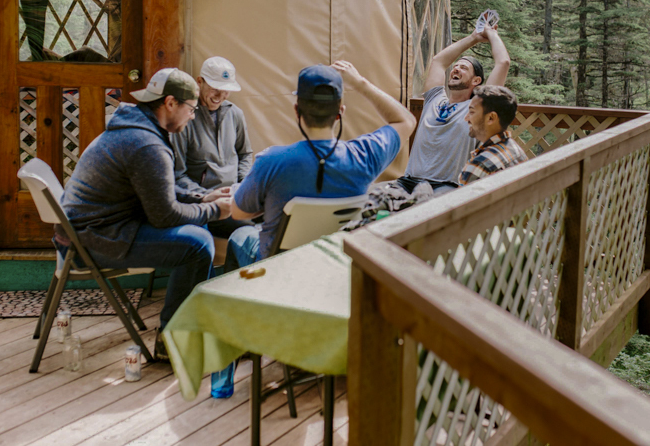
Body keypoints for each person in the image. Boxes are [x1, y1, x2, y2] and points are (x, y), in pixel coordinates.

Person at [59, 68, 232, 359]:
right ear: (170, 103)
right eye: (191, 109)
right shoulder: (146, 144)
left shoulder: (136, 128)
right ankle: (173, 342)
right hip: (91, 242)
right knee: (198, 244)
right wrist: (214, 209)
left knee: (198, 232)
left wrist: (203, 197)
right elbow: (164, 216)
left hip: (91, 231)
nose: (193, 116)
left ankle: (194, 326)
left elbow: (158, 188)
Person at [223, 61, 416, 268]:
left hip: (278, 267)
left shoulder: (271, 160)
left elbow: (238, 212)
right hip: (332, 265)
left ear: (296, 110)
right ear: (340, 112)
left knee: (240, 235)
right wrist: (359, 83)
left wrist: (268, 201)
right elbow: (406, 120)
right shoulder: (365, 155)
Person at [398, 25, 510, 194]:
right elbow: (438, 61)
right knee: (374, 202)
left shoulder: (478, 108)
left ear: (476, 81)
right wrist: (473, 37)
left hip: (444, 186)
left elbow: (503, 63)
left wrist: (491, 33)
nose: (456, 69)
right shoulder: (434, 99)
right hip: (409, 181)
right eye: (456, 66)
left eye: (464, 68)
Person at [172, 56, 254, 235]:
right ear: (199, 82)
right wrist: (205, 196)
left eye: (226, 90)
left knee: (277, 214)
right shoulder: (185, 119)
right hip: (205, 202)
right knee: (248, 226)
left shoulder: (235, 114)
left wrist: (243, 184)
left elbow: (245, 153)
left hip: (237, 196)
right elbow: (178, 174)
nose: (220, 96)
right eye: (215, 88)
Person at [458, 85, 528, 186]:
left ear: (491, 118)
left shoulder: (479, 166)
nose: (466, 118)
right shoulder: (516, 151)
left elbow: (461, 196)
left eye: (472, 112)